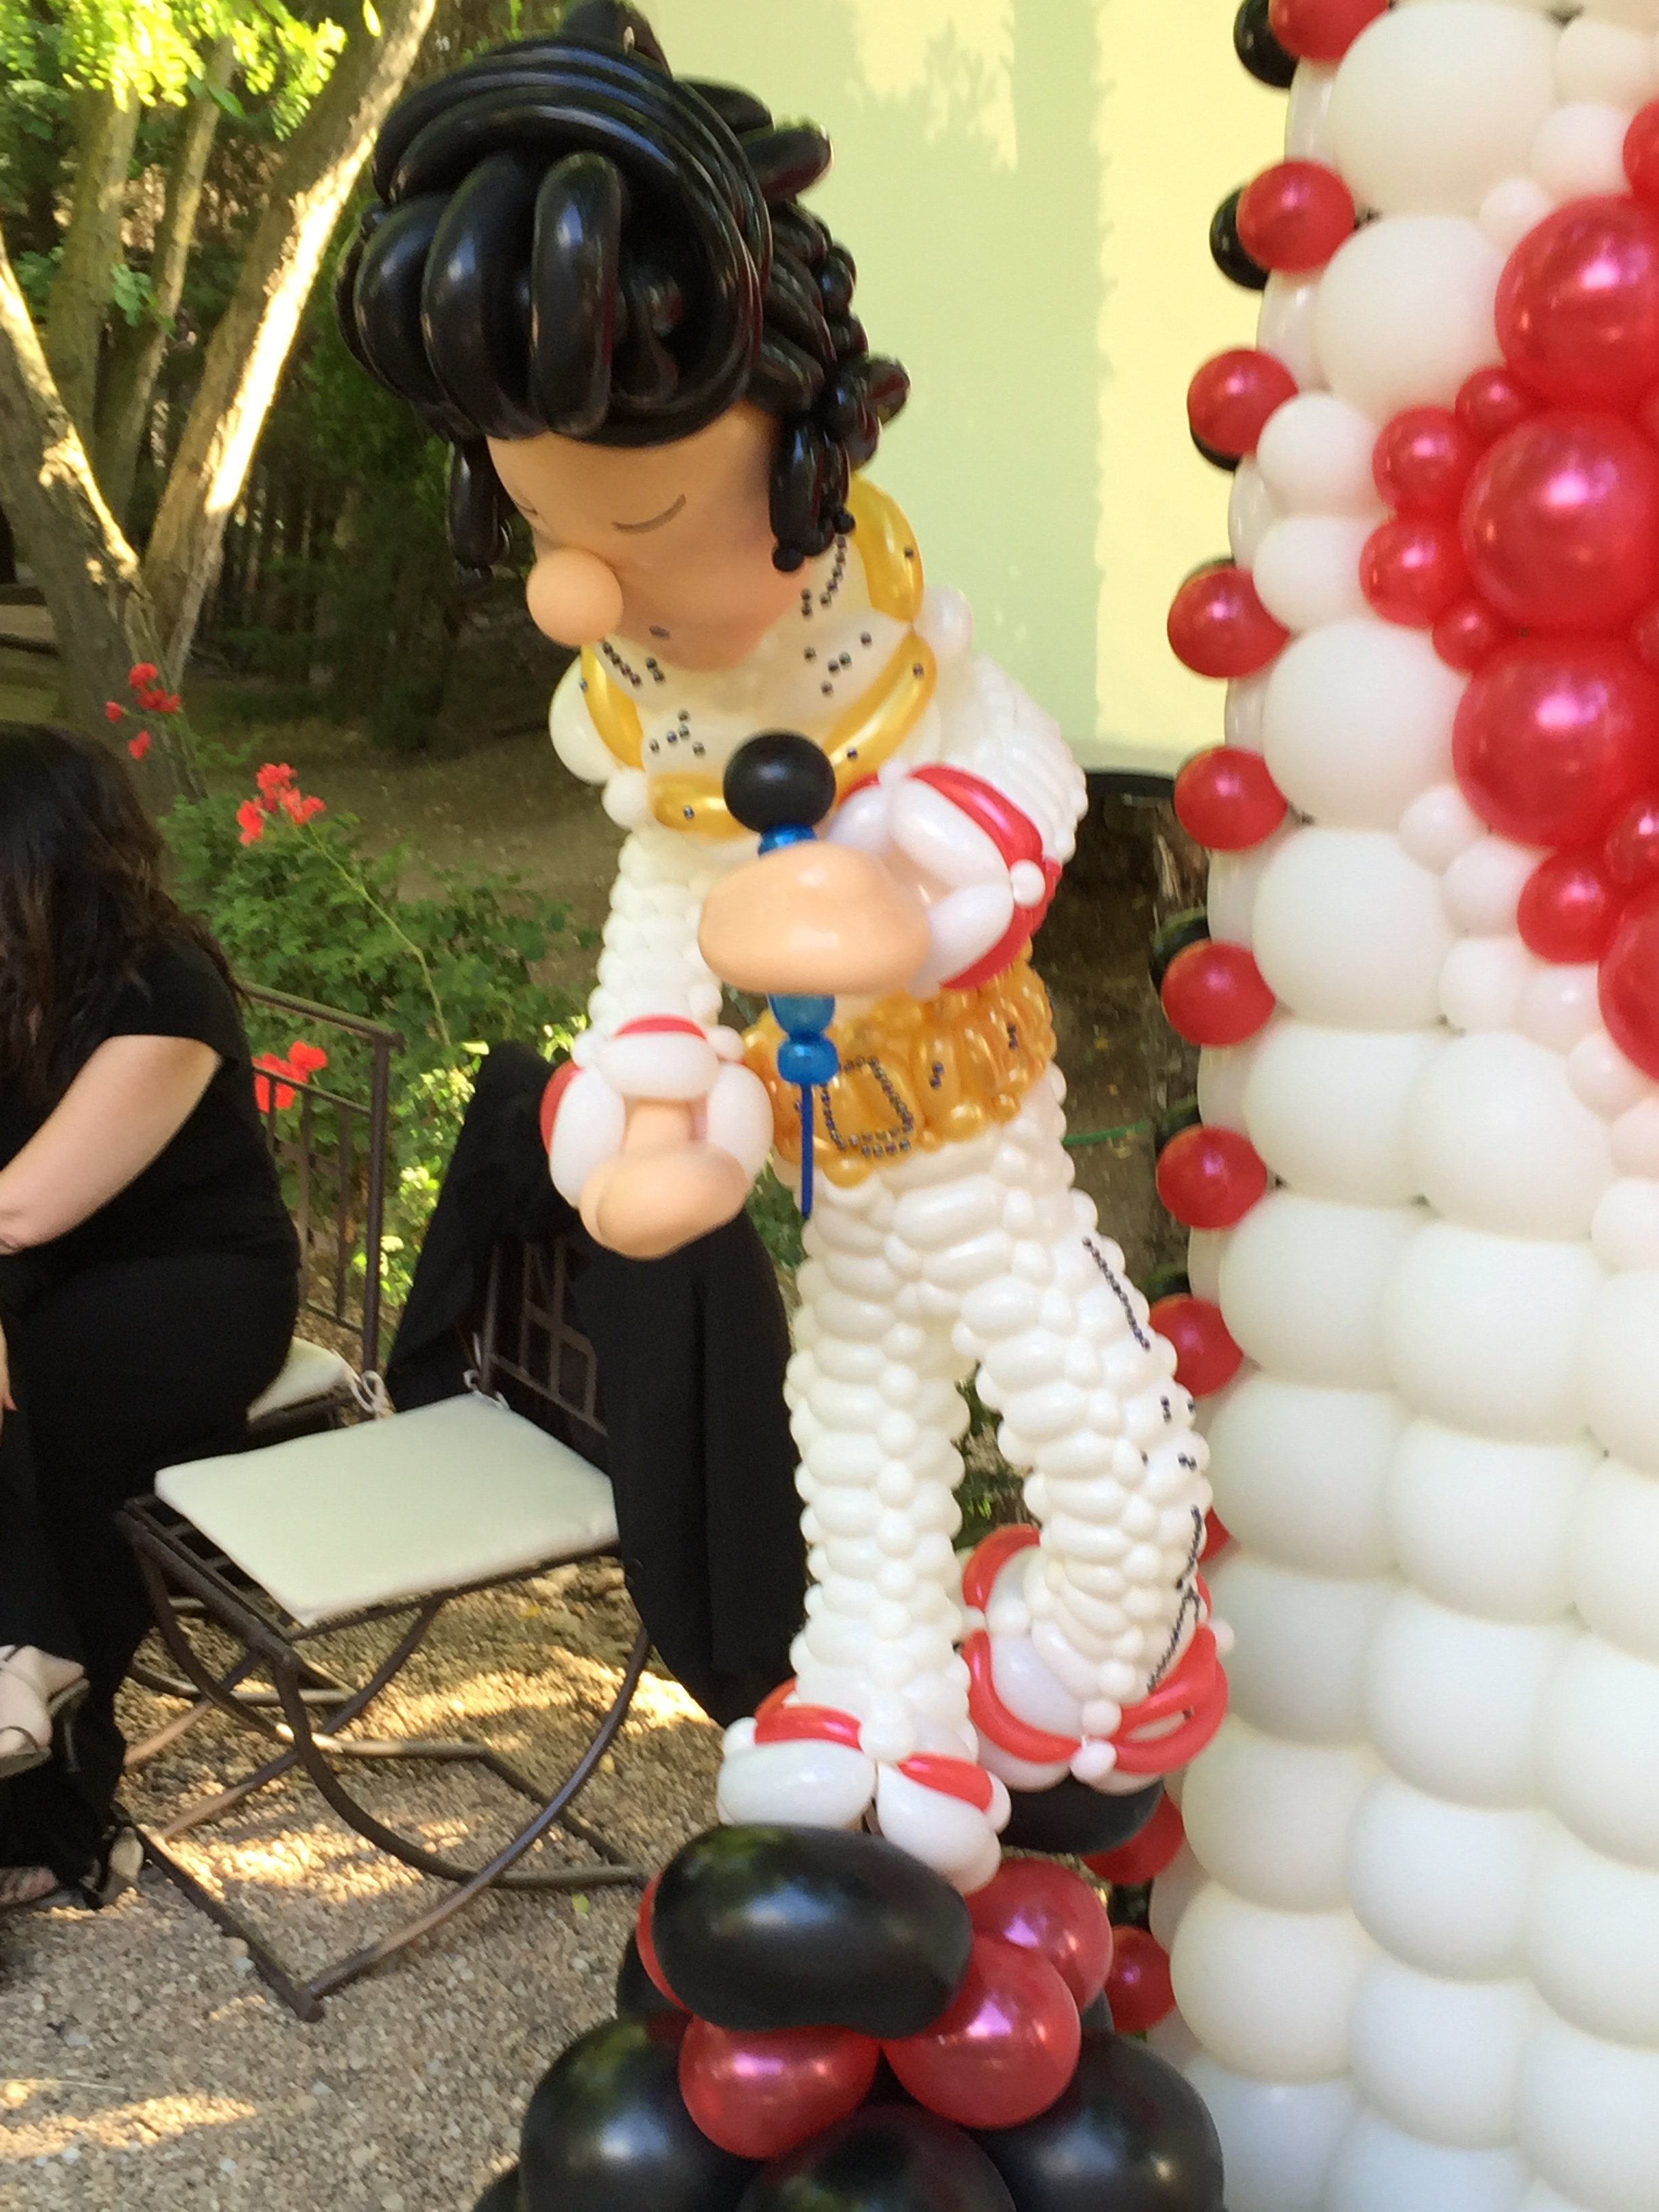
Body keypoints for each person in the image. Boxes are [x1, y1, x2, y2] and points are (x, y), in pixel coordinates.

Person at [342, 2, 1222, 1889]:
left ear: (797, 448)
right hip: (833, 1167)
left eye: (645, 517)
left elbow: (1019, 788)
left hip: (976, 1141)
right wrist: (641, 1104)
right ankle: (874, 1701)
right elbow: (663, 924)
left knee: (1112, 1464)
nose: (578, 586)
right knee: (862, 1445)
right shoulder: (663, 721)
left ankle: (1067, 1671)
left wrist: (904, 890)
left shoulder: (903, 658)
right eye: (548, 523)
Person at [0, 724, 299, 1910]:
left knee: (51, 1420)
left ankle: (48, 1789)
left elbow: (24, 1206)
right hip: (49, 1275)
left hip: (194, 1288)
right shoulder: (21, 982)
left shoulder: (162, 991)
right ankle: (27, 1667)